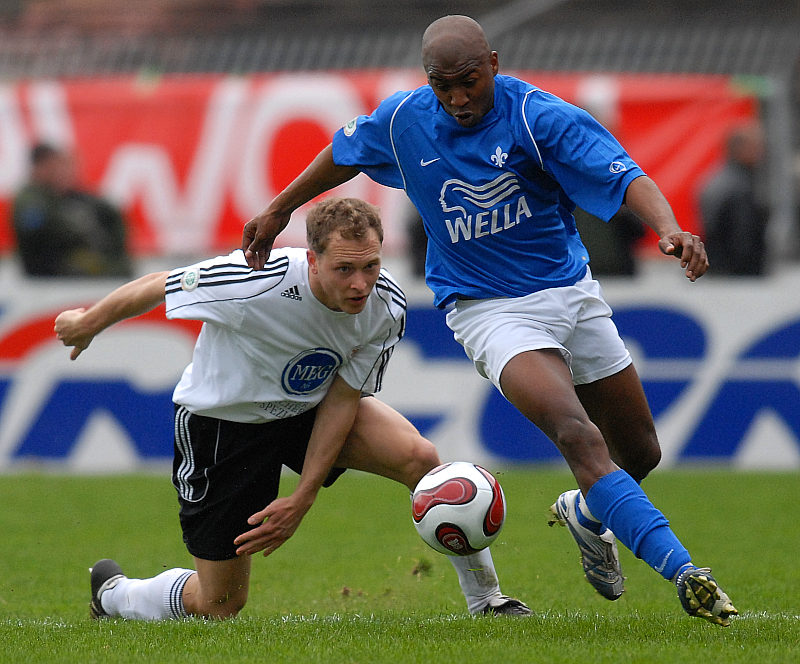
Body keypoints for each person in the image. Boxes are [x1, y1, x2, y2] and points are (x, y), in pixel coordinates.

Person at [240, 16, 738, 626]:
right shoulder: (404, 120)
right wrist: (278, 209)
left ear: (494, 65)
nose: (457, 98)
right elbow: (343, 153)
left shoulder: (537, 117)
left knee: (639, 452)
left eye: (469, 82)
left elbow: (623, 173)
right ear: (428, 80)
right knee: (577, 435)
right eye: (442, 85)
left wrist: (669, 229)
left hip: (569, 291)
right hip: (487, 308)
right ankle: (686, 573)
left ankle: (586, 514)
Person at [54, 197, 529, 620]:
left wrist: (304, 496)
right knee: (219, 604)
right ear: (312, 261)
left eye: (371, 266)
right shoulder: (255, 282)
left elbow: (343, 398)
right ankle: (115, 595)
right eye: (344, 269)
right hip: (224, 425)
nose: (361, 284)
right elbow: (160, 284)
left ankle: (487, 600)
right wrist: (88, 323)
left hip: (308, 408)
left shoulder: (386, 306)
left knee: (421, 459)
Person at [12, 142, 132, 278]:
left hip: (64, 269)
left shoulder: (69, 196)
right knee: (113, 269)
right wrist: (85, 234)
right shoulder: (31, 198)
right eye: (55, 166)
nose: (59, 172)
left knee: (120, 268)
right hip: (48, 273)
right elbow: (48, 232)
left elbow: (111, 214)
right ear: (40, 166)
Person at [699, 123, 769, 275]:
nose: (761, 152)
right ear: (739, 149)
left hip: (720, 269)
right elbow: (742, 239)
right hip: (734, 274)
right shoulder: (738, 187)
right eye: (756, 147)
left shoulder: (718, 179)